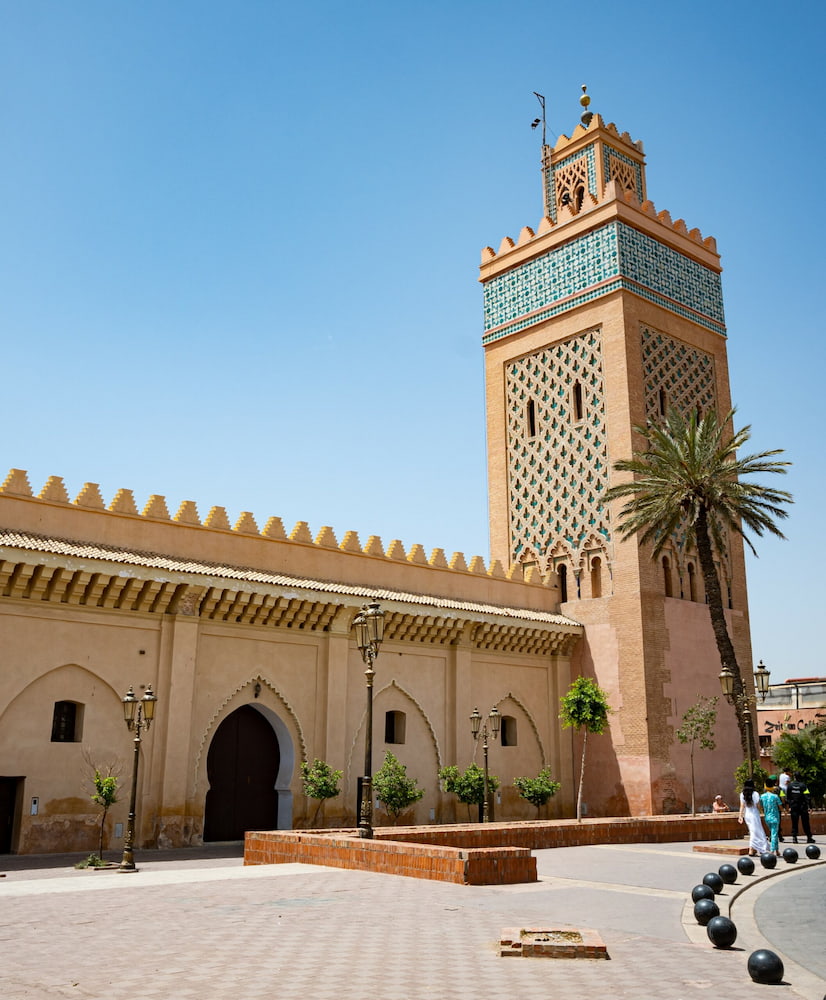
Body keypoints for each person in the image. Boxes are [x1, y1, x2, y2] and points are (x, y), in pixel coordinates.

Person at [738, 778, 769, 855]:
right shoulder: (755, 794)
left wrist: (740, 816)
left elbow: (742, 806)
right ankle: (752, 848)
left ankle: (755, 848)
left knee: (753, 831)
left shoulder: (742, 794)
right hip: (754, 813)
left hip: (747, 814)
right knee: (756, 831)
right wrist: (762, 811)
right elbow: (758, 805)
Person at [786, 773, 815, 844]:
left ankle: (794, 838)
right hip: (802, 806)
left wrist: (789, 806)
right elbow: (807, 797)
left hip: (794, 806)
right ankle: (809, 837)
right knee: (805, 822)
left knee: (794, 822)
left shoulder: (790, 786)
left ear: (794, 777)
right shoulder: (803, 786)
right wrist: (810, 807)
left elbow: (788, 797)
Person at [760, 778, 782, 856]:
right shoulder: (775, 796)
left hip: (767, 818)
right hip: (775, 817)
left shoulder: (762, 796)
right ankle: (772, 850)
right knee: (774, 834)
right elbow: (780, 807)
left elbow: (761, 806)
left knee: (773, 833)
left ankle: (777, 850)